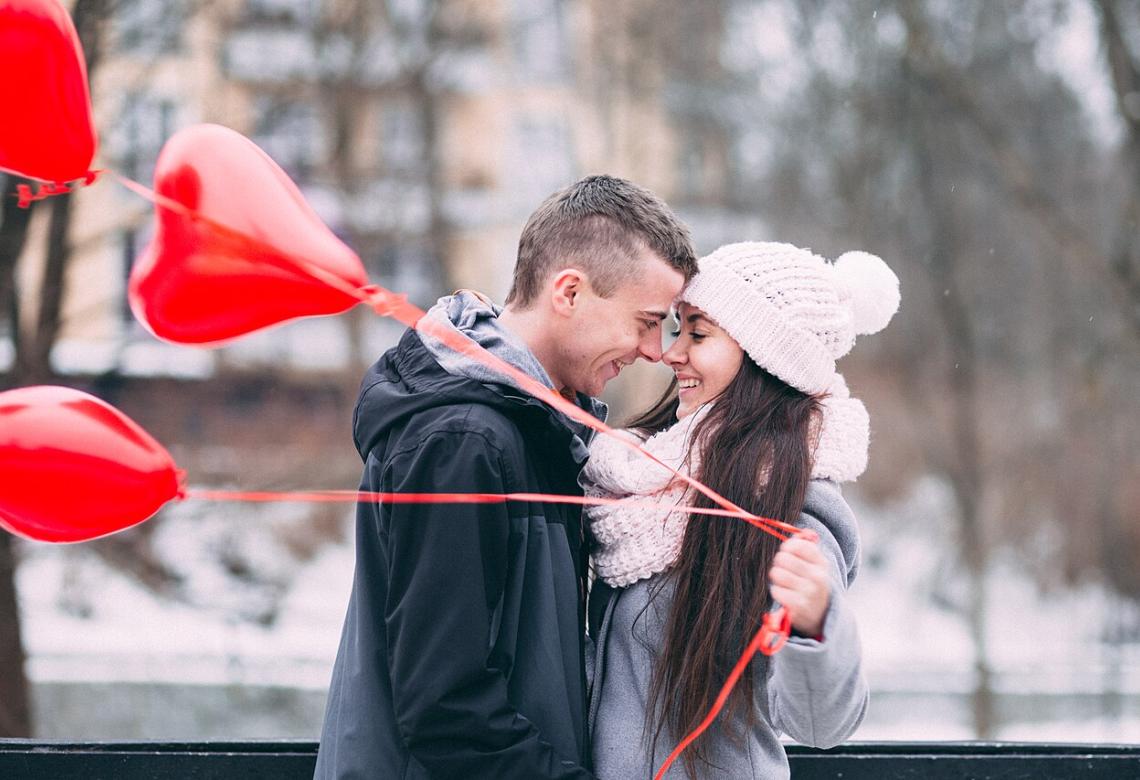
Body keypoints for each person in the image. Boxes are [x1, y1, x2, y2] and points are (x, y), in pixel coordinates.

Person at [314, 175, 698, 779]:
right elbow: (445, 707)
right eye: (647, 321)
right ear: (568, 292)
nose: (655, 350)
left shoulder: (534, 430)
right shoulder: (464, 441)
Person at [582, 241, 900, 778]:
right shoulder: (636, 485)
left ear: (764, 358)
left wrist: (814, 624)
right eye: (676, 328)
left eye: (698, 333)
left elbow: (822, 724)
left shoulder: (791, 509)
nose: (672, 352)